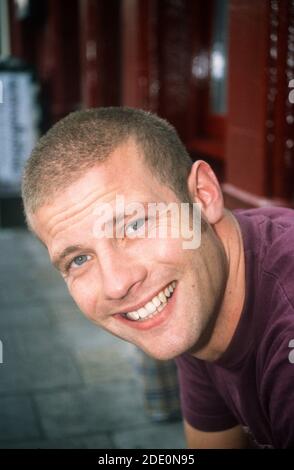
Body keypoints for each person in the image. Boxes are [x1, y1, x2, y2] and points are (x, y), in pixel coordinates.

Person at [21, 107, 294, 448]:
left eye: (135, 225)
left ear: (202, 196)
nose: (117, 283)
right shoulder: (195, 287)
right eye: (79, 259)